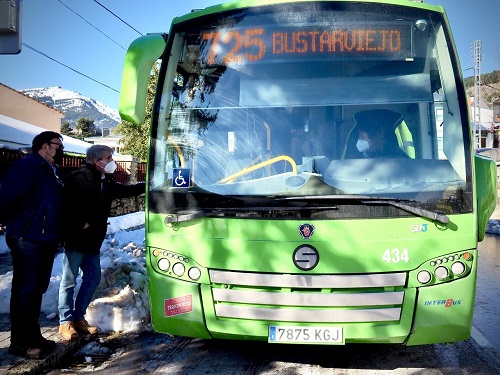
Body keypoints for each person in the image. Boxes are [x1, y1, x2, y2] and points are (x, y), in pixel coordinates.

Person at [58, 145, 145, 340]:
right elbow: (65, 205)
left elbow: (127, 191)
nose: (112, 161)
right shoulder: (78, 178)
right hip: (76, 239)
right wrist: (81, 223)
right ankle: (65, 322)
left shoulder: (105, 181)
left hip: (93, 241)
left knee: (93, 278)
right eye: (109, 157)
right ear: (98, 162)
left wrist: (149, 186)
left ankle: (79, 317)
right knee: (69, 280)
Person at [0, 131, 65, 359]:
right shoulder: (27, 167)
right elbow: (6, 198)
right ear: (45, 146)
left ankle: (34, 336)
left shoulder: (49, 170)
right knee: (25, 291)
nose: (60, 150)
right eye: (57, 145)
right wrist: (10, 224)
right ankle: (19, 343)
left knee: (36, 290)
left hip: (45, 238)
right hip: (27, 237)